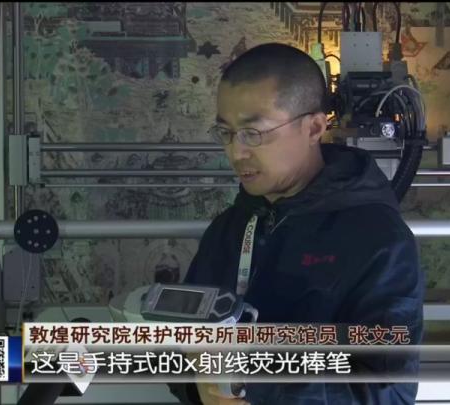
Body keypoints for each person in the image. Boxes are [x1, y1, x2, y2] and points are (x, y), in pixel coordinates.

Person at [168, 43, 424, 405]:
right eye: (225, 133)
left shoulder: (379, 240)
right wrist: (197, 384)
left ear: (314, 127)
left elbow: (388, 392)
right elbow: (181, 350)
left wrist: (255, 383)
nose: (236, 152)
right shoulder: (229, 230)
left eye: (253, 133)